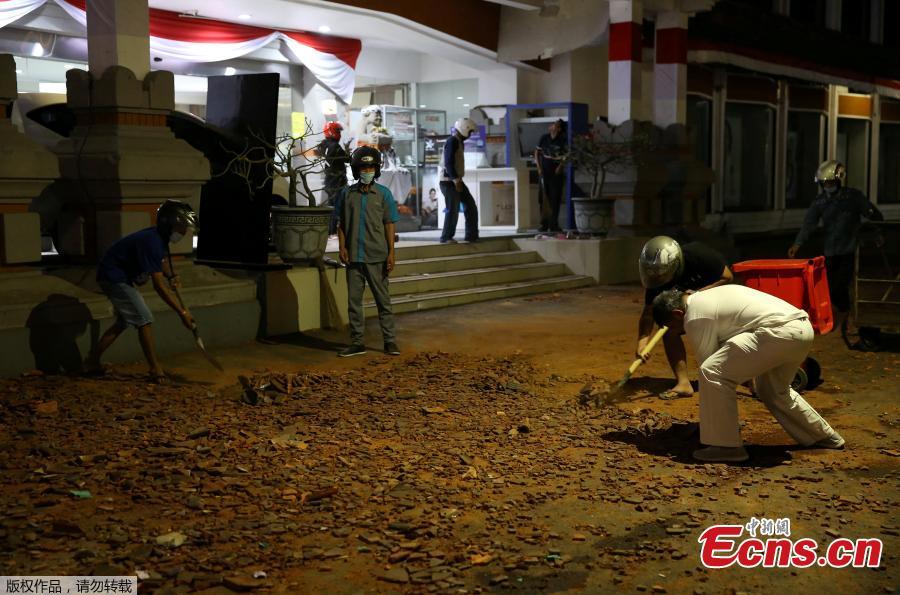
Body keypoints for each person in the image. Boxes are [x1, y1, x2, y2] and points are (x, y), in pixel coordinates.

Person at [652, 285, 845, 463]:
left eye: (675, 327)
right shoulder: (706, 298)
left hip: (777, 333)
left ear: (678, 314)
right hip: (800, 330)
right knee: (772, 390)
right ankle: (823, 436)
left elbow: (710, 366)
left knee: (712, 372)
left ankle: (726, 447)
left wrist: (709, 424)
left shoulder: (694, 316)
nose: (680, 333)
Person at [83, 200, 198, 383]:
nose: (184, 232)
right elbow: (158, 286)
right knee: (144, 319)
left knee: (124, 321)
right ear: (168, 223)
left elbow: (161, 261)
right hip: (113, 277)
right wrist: (182, 313)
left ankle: (91, 361)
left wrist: (171, 276)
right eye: (181, 226)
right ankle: (155, 368)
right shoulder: (152, 241)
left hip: (119, 276)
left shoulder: (159, 238)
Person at [787, 159, 883, 331]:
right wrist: (797, 243)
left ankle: (844, 314)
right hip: (830, 251)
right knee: (830, 287)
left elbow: (873, 215)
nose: (828, 185)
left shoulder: (853, 197)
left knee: (840, 284)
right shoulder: (820, 202)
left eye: (831, 182)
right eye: (825, 182)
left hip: (849, 249)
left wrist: (876, 234)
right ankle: (841, 314)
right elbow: (809, 223)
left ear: (838, 181)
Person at [637, 236, 733, 398]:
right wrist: (642, 343)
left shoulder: (699, 255)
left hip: (715, 303)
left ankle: (747, 377)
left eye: (662, 275)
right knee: (667, 327)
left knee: (725, 334)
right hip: (684, 309)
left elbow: (727, 277)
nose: (658, 279)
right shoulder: (655, 276)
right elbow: (648, 312)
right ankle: (683, 383)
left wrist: (697, 295)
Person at [334, 146, 401, 357]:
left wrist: (391, 253)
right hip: (354, 257)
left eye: (371, 167)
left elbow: (389, 224)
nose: (367, 171)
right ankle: (357, 342)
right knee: (354, 303)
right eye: (363, 168)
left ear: (377, 169)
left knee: (383, 302)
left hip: (377, 256)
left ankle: (389, 341)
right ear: (356, 170)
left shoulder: (384, 194)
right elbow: (341, 224)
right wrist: (342, 247)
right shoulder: (346, 194)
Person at [439, 117, 479, 244]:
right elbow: (448, 163)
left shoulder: (459, 142)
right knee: (453, 209)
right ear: (464, 129)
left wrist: (457, 180)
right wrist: (456, 181)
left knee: (470, 206)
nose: (470, 135)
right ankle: (446, 237)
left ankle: (471, 235)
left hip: (456, 180)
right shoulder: (452, 141)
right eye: (470, 131)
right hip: (448, 181)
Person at [534, 119, 567, 232]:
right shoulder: (544, 138)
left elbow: (566, 156)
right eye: (552, 124)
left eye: (555, 125)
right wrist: (539, 167)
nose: (552, 126)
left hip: (556, 174)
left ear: (559, 129)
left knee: (555, 199)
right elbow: (537, 153)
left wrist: (560, 166)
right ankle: (544, 224)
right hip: (544, 172)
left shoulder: (562, 140)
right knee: (543, 198)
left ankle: (553, 224)